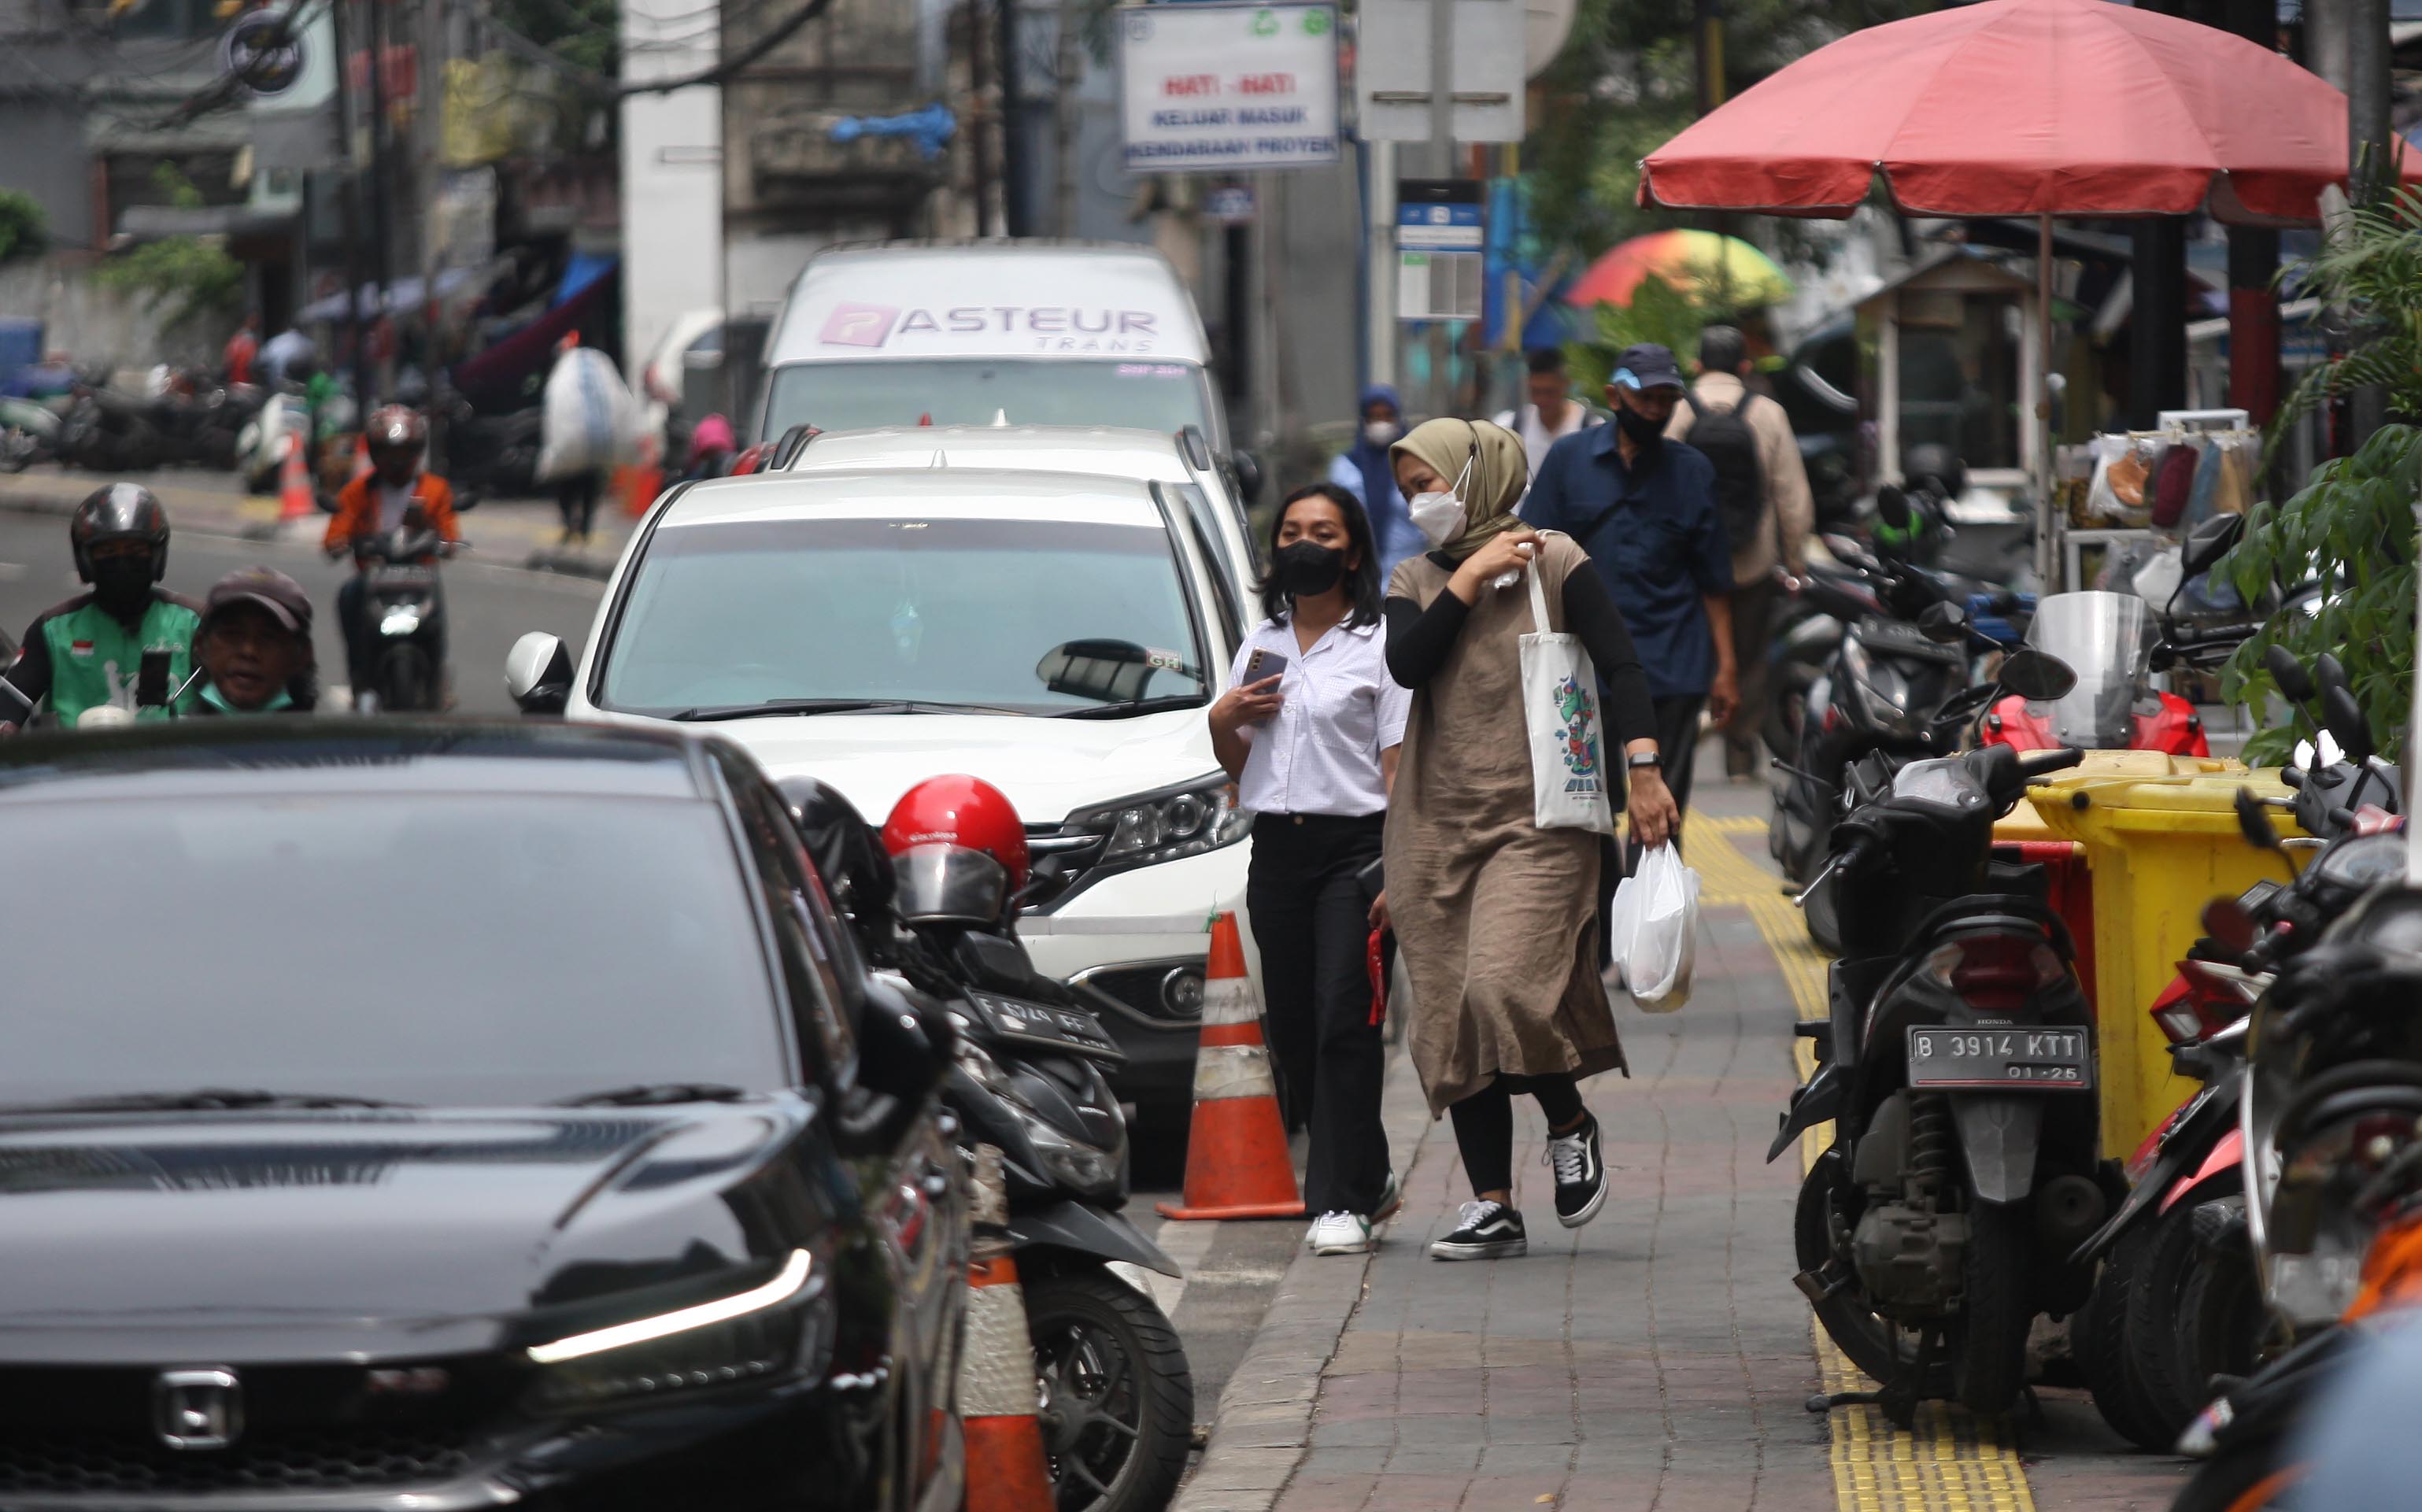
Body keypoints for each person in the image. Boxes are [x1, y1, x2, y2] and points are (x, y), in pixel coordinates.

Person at [1381, 418, 1678, 1261]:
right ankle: (1491, 1204)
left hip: (1540, 819)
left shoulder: (1553, 559)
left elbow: (1622, 666)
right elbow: (1409, 664)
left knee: (1501, 986)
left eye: (1428, 482)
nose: (1418, 502)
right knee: (1446, 1012)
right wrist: (1469, 574)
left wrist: (1644, 770)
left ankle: (1567, 1118)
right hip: (1434, 827)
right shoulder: (1411, 578)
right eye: (1406, 488)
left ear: (1477, 476)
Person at [1207, 482, 1409, 1258]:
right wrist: (1220, 720)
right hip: (1276, 850)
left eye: (1321, 531)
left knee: (1341, 1018)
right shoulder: (1260, 639)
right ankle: (1372, 1169)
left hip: (1354, 850)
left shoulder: (1377, 642)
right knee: (1292, 1027)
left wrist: (1400, 862)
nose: (1304, 543)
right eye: (1290, 530)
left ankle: (1333, 1202)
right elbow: (1238, 762)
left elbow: (1396, 767)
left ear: (1351, 549)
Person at [1523, 341, 1736, 925]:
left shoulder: (1691, 471)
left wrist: (1726, 667)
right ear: (1615, 395)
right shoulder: (1568, 461)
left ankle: (1651, 931)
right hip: (1583, 668)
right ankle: (1596, 931)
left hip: (1671, 661)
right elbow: (1532, 557)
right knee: (1588, 807)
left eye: (1667, 397)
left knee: (1659, 805)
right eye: (1645, 396)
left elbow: (1713, 577)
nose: (1655, 407)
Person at [1666, 326, 1811, 782]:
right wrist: (1795, 561)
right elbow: (1792, 495)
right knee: (1749, 660)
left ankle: (1681, 741)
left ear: (1696, 366)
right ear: (1745, 368)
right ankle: (1740, 752)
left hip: (1688, 563)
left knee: (1691, 648)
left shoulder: (1675, 412)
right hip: (1751, 561)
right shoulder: (1768, 414)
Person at [0, 485, 201, 730]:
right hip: (75, 763)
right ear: (86, 559)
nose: (122, 562)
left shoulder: (193, 623)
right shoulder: (54, 629)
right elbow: (7, 711)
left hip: (172, 762)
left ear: (156, 554)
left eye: (135, 550)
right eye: (108, 551)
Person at [325, 405, 460, 698]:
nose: (396, 461)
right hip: (373, 576)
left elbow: (449, 532)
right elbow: (337, 530)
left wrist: (445, 542)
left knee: (437, 602)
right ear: (375, 452)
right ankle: (359, 674)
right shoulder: (357, 491)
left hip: (419, 574)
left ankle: (439, 676)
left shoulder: (435, 490)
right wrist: (339, 543)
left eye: (404, 451)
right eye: (388, 452)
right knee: (348, 595)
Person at [187, 567, 319, 715]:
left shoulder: (320, 738)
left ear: (301, 655)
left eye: (269, 637)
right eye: (232, 635)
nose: (249, 651)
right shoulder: (177, 735)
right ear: (201, 646)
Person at [1326, 384, 1422, 583]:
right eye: (1374, 417)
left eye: (1387, 415)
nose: (1381, 423)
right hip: (1357, 579)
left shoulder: (1416, 465)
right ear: (1364, 420)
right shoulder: (1345, 466)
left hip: (1409, 577)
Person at [1492, 348, 1597, 484]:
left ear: (1565, 384)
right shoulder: (1508, 426)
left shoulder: (1591, 428)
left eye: (1550, 392)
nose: (1542, 400)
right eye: (1536, 391)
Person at [545, 334, 608, 544]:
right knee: (576, 490)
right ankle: (576, 527)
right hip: (580, 447)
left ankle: (581, 528)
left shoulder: (578, 371)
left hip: (581, 447)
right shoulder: (570, 373)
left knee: (580, 490)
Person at [224, 312, 260, 387]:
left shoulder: (237, 337)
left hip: (235, 381)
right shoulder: (248, 339)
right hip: (244, 380)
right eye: (254, 320)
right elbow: (251, 363)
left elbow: (228, 360)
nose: (256, 323)